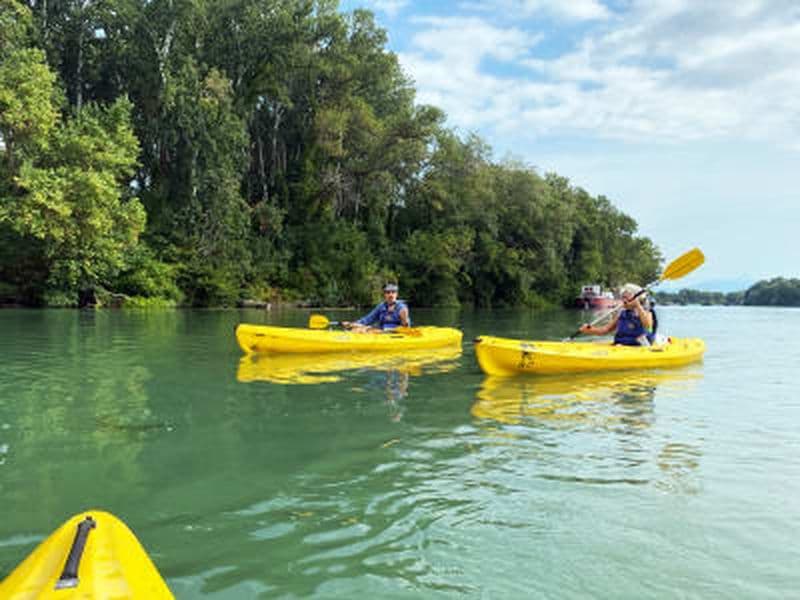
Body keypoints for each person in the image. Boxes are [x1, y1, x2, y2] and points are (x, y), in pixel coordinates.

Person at [579, 283, 655, 346]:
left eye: (626, 297)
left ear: (636, 299)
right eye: (622, 297)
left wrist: (638, 305)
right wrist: (590, 330)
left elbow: (647, 325)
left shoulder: (646, 312)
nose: (623, 300)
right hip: (620, 346)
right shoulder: (621, 314)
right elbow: (605, 330)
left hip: (637, 348)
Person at [343, 283, 410, 333]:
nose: (391, 295)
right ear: (385, 295)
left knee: (365, 330)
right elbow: (368, 319)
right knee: (355, 329)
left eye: (393, 292)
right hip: (382, 331)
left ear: (396, 294)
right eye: (388, 292)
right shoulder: (381, 306)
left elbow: (405, 327)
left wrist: (405, 320)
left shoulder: (401, 307)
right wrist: (351, 324)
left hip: (395, 333)